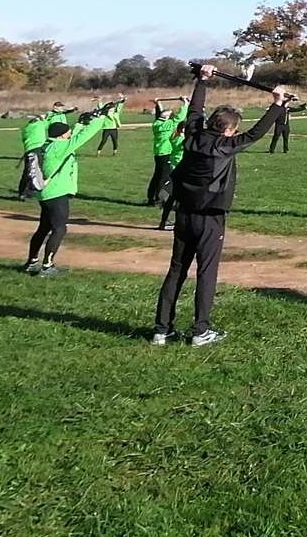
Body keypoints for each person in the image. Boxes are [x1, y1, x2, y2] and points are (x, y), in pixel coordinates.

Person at [152, 63, 288, 347]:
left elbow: (193, 112)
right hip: (211, 218)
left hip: (184, 216)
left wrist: (202, 81)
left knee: (176, 270)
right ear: (228, 130)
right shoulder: (224, 146)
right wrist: (277, 104)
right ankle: (201, 330)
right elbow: (254, 134)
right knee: (206, 272)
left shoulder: (192, 137)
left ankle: (162, 329)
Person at [23, 101, 120, 276]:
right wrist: (100, 118)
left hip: (45, 193)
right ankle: (47, 266)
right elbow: (82, 137)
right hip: (57, 193)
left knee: (43, 228)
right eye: (67, 132)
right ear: (61, 136)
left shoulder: (49, 145)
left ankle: (32, 262)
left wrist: (81, 123)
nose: (69, 134)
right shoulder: (61, 147)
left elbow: (72, 134)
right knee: (60, 229)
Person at [17, 105, 70, 199]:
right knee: (31, 172)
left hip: (34, 150)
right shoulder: (36, 126)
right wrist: (54, 113)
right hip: (35, 150)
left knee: (32, 171)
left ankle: (28, 191)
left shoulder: (29, 127)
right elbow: (48, 121)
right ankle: (25, 192)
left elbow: (46, 121)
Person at [147, 97, 188, 206]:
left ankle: (150, 197)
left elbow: (160, 115)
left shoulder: (156, 124)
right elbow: (180, 117)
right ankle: (158, 199)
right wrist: (185, 103)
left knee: (156, 176)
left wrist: (157, 104)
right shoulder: (168, 124)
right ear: (167, 118)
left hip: (158, 152)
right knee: (164, 177)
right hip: (165, 152)